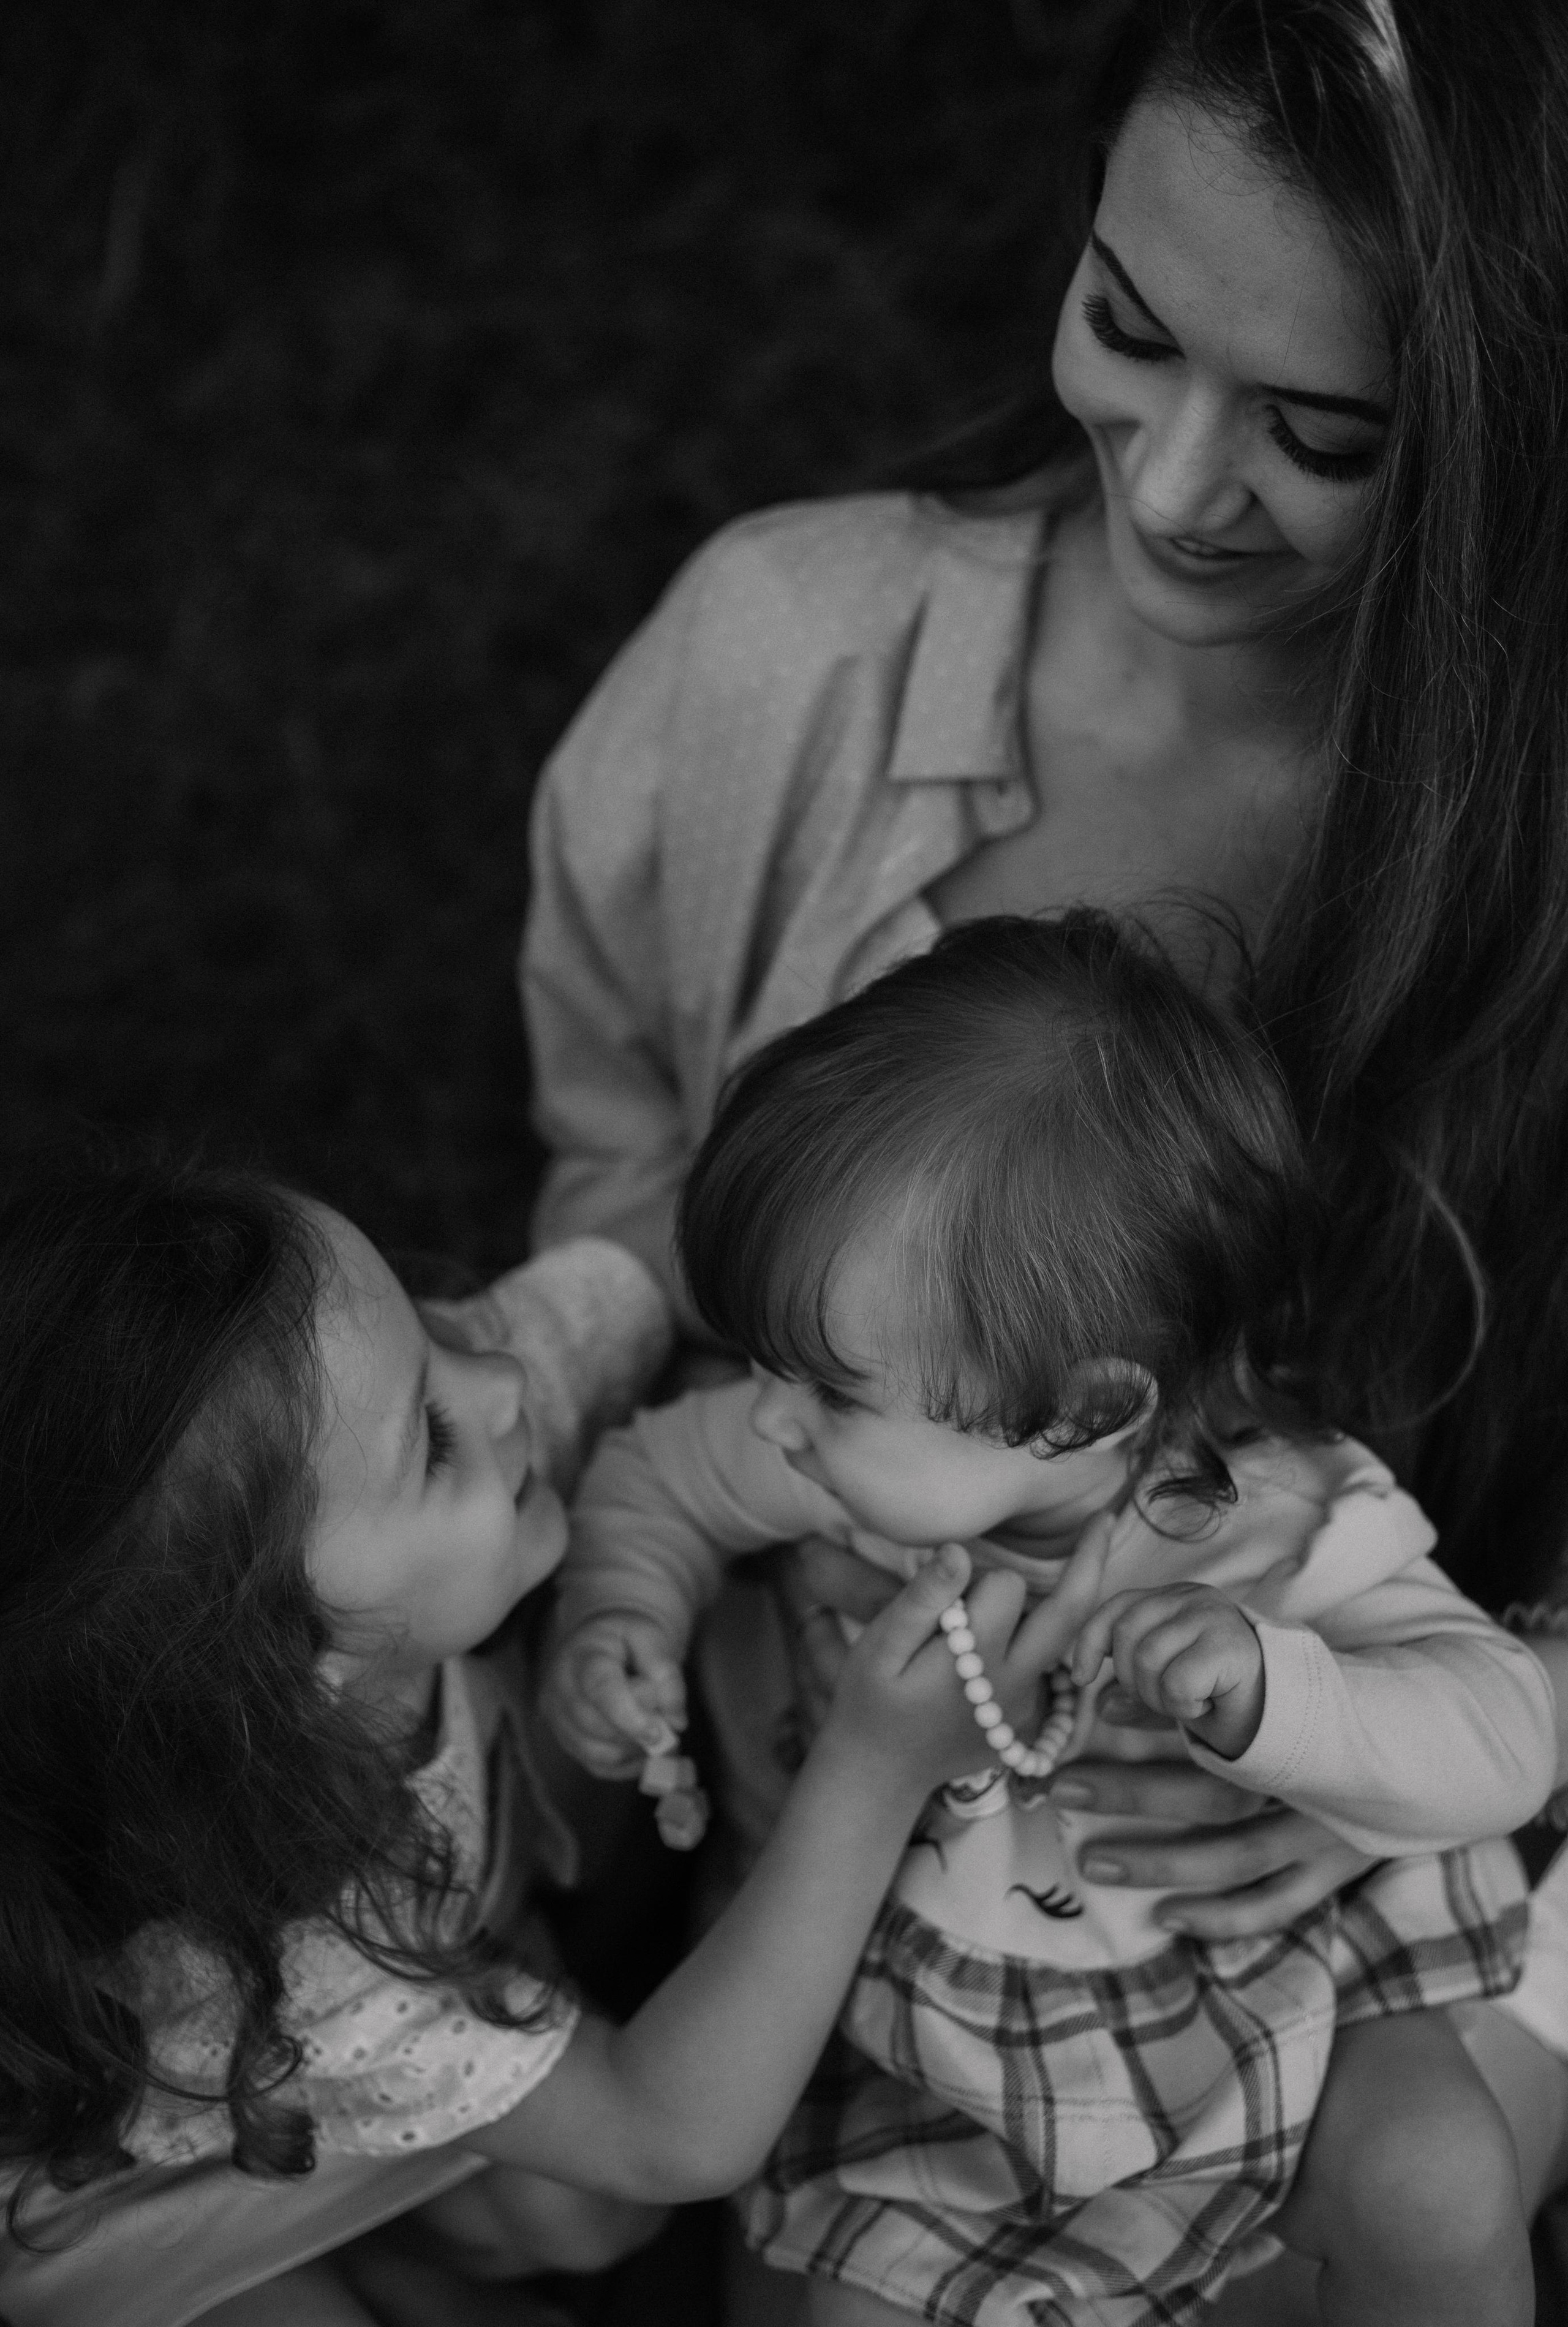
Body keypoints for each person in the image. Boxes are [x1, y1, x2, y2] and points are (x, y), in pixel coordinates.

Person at [513, 0, 1568, 2307]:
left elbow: (1503, 1685)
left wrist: (1335, 1739)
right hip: (872, 1925)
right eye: (1126, 326)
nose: (1178, 483)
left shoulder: (1529, 863)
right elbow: (616, 1177)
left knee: (1394, 2212)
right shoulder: (781, 649)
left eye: (1321, 433)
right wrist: (589, 1512)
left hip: (1398, 1889)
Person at [541, 913, 1551, 2327]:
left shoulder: (1271, 1525)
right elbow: (651, 1480)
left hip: (1282, 2005)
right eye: (767, 1363)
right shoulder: (832, 1470)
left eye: (826, 1390)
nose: (767, 1416)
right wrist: (620, 1614)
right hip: (943, 2062)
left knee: (1437, 2181)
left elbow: (1506, 1731)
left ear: (1083, 1412)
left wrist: (1288, 1696)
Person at [0, 1154, 1091, 2327]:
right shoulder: (303, 1952)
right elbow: (673, 2131)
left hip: (373, 2029)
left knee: (582, 2218)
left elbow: (641, 1261)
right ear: (292, 1675)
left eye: (424, 1324)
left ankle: (412, 2260)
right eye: (434, 1438)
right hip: (141, 2212)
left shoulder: (357, 1425)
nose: (504, 1378)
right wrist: (875, 1770)